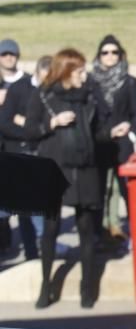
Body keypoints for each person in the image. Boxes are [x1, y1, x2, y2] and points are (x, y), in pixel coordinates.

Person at [25, 49, 105, 308]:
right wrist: (53, 122)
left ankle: (87, 288)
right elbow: (29, 130)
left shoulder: (90, 95)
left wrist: (113, 131)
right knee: (50, 230)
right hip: (55, 168)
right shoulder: (44, 95)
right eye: (80, 71)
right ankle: (45, 285)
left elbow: (101, 127)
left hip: (84, 169)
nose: (85, 75)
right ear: (68, 72)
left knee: (86, 228)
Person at [91, 35, 136, 243]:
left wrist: (131, 133)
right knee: (99, 191)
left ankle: (135, 233)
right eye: (105, 52)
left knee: (127, 190)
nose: (110, 56)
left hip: (122, 145)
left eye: (114, 52)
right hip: (100, 144)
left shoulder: (129, 82)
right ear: (99, 56)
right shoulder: (91, 82)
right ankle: (98, 234)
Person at [0, 41, 43, 260]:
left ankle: (33, 252)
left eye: (12, 54)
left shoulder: (27, 84)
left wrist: (25, 127)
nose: (8, 57)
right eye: (3, 54)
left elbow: (32, 119)